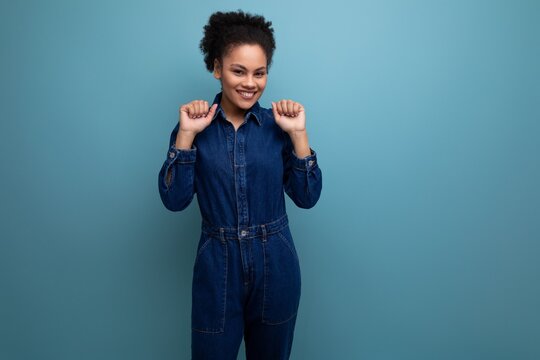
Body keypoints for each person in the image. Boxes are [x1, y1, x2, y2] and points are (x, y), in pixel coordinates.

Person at [157, 9, 322, 360]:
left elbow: (307, 198)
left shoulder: (279, 127)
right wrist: (186, 134)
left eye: (259, 73)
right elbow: (174, 200)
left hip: (276, 266)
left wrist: (300, 135)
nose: (250, 82)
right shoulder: (195, 127)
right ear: (217, 69)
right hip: (217, 267)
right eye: (238, 70)